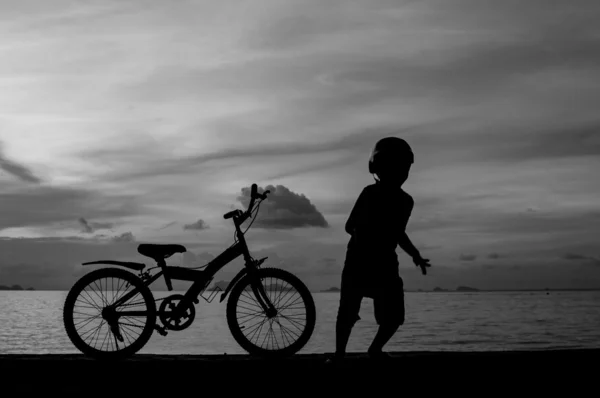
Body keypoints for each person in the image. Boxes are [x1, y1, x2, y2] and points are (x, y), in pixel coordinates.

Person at [331, 136, 431, 361]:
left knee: (394, 316)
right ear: (379, 167)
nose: (401, 172)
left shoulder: (406, 201)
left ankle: (374, 349)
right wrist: (362, 234)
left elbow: (398, 233)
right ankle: (339, 355)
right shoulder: (369, 194)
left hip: (385, 262)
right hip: (358, 260)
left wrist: (415, 255)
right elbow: (350, 225)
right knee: (347, 311)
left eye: (404, 167)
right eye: (397, 166)